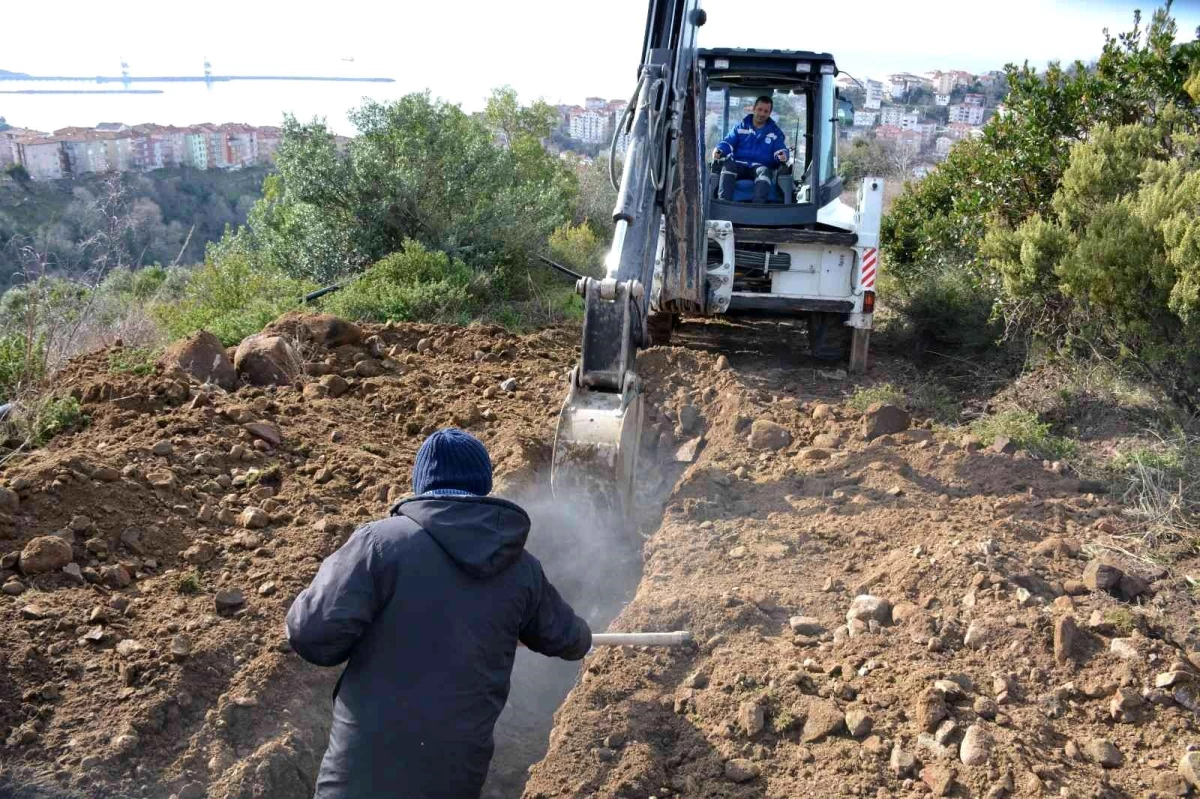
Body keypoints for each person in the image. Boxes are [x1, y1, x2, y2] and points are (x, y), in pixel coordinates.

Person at [285, 427, 593, 799]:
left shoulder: (379, 544)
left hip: (364, 768)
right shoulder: (520, 568)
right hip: (455, 774)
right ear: (483, 486)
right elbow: (568, 639)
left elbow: (311, 635)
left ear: (421, 484)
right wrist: (581, 634)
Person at [712, 95, 790, 202]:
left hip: (760, 166)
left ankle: (758, 206)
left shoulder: (775, 132)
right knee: (728, 166)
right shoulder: (740, 127)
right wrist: (720, 150)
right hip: (739, 164)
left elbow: (780, 148)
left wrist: (782, 155)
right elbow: (728, 142)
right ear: (753, 109)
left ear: (769, 113)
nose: (762, 114)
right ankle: (723, 202)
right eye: (760, 109)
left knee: (764, 172)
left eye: (766, 111)